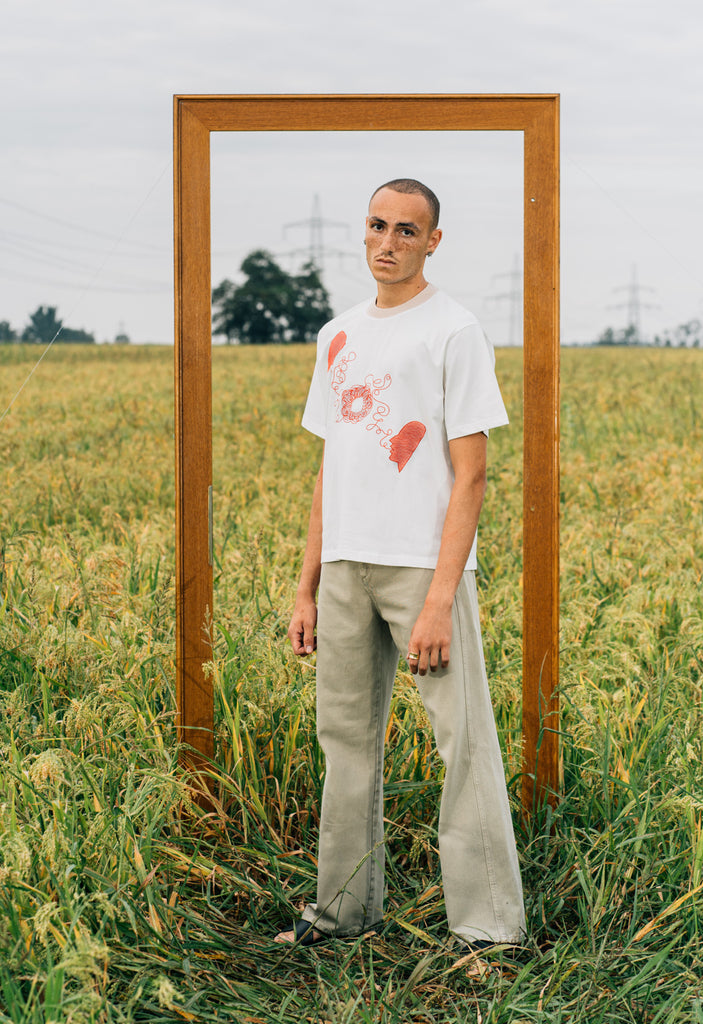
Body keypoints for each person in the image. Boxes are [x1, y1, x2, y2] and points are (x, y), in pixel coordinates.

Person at [275, 179, 526, 950]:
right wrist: (307, 585)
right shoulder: (337, 335)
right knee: (345, 741)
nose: (388, 243)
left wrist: (439, 601)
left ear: (433, 242)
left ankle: (488, 931)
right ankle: (344, 911)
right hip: (347, 566)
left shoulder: (454, 331)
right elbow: (332, 468)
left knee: (465, 745)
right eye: (378, 226)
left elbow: (472, 472)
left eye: (407, 231)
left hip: (424, 570)